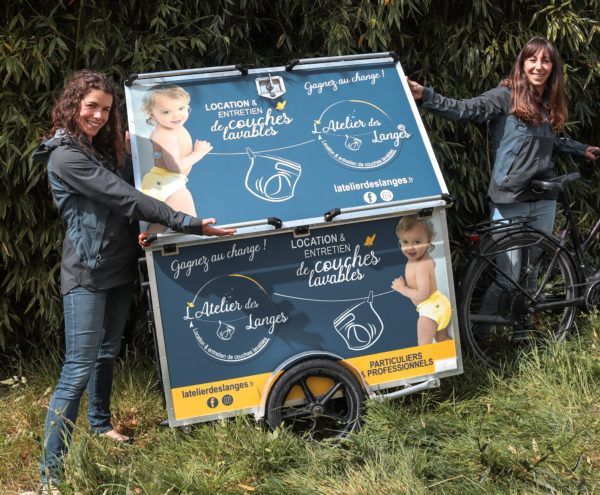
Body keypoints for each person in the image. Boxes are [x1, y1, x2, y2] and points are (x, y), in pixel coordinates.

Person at [31, 70, 234, 491]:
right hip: (86, 272)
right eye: (91, 106)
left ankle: (100, 424)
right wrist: (187, 223)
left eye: (106, 109)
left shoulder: (100, 149)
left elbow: (143, 187)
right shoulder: (64, 155)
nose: (98, 115)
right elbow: (122, 196)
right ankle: (50, 473)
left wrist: (150, 221)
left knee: (107, 352)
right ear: (73, 104)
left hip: (122, 264)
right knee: (78, 367)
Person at [407, 36, 599, 236]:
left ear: (553, 67)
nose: (539, 67)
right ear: (522, 64)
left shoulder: (548, 102)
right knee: (510, 268)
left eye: (546, 61)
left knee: (535, 265)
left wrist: (581, 149)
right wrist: (426, 96)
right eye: (532, 60)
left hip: (544, 199)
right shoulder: (504, 96)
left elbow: (546, 141)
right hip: (510, 199)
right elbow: (463, 109)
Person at [140, 84, 212, 221]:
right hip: (166, 182)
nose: (176, 115)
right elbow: (174, 166)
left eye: (181, 108)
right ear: (151, 113)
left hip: (163, 181)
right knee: (189, 223)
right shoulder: (166, 133)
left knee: (165, 223)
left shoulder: (173, 129)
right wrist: (198, 153)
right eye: (166, 112)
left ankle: (148, 236)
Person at [391, 216, 452, 345]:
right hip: (439, 304)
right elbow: (433, 265)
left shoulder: (421, 264)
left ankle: (438, 364)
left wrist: (402, 289)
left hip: (430, 309)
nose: (410, 247)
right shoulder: (424, 258)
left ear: (428, 241)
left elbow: (423, 294)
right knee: (442, 339)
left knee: (424, 346)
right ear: (399, 242)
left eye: (417, 242)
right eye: (405, 242)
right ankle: (450, 361)